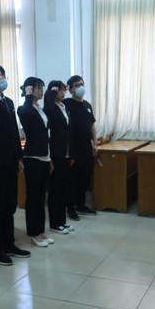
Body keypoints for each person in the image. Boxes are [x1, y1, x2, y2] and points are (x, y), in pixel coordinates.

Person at [0, 64, 31, 265]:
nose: (3, 79)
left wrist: (19, 158)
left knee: (10, 204)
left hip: (11, 159)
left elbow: (14, 132)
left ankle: (9, 243)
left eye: (3, 75)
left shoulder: (8, 102)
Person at [17, 77, 52, 247]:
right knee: (33, 196)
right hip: (33, 158)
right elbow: (25, 115)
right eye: (38, 88)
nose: (42, 91)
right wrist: (27, 96)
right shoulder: (25, 109)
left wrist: (50, 158)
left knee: (41, 196)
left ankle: (41, 230)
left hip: (45, 156)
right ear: (30, 89)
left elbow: (45, 134)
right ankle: (33, 232)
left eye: (42, 88)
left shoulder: (40, 109)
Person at [64, 75, 98, 220]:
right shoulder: (66, 104)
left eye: (82, 84)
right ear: (70, 89)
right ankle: (70, 208)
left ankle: (81, 205)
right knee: (72, 179)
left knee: (85, 178)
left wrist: (95, 143)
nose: (81, 87)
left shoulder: (87, 105)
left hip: (86, 148)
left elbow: (92, 126)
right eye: (77, 85)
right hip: (73, 149)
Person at [44, 80, 75, 235]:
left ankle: (62, 221)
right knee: (55, 190)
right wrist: (52, 93)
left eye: (64, 90)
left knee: (64, 188)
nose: (63, 93)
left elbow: (69, 131)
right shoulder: (50, 108)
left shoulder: (64, 107)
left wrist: (72, 154)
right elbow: (48, 109)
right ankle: (54, 223)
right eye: (60, 90)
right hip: (56, 153)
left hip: (66, 153)